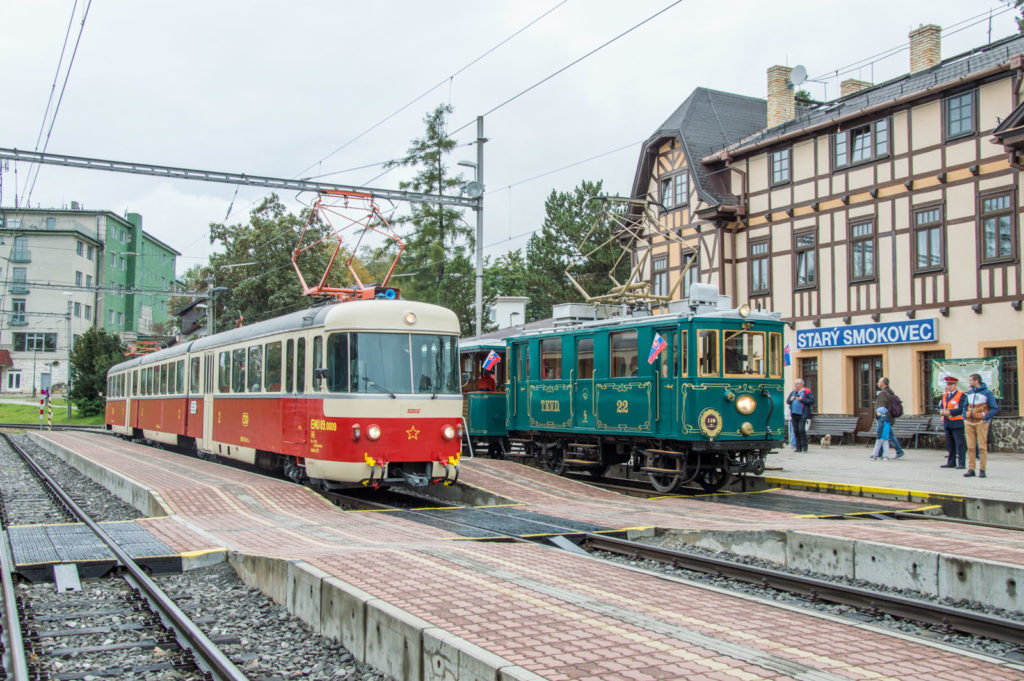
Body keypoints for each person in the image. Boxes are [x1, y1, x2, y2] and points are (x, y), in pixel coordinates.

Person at [963, 372, 999, 478]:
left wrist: (985, 418)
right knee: (970, 447)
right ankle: (971, 469)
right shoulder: (969, 393)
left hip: (981, 422)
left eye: (970, 380)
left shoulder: (987, 393)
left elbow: (994, 408)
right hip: (969, 422)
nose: (969, 382)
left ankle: (982, 469)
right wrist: (965, 417)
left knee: (982, 447)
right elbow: (965, 406)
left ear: (976, 381)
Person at [939, 376, 967, 469]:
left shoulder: (961, 395)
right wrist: (941, 411)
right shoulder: (945, 395)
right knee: (950, 444)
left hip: (957, 422)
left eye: (951, 384)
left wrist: (950, 412)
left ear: (955, 385)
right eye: (948, 384)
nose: (949, 386)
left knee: (960, 444)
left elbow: (962, 408)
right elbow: (942, 406)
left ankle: (961, 463)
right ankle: (951, 462)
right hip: (947, 422)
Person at [874, 377, 905, 459]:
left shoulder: (883, 394)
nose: (877, 383)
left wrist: (879, 417)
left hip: (884, 418)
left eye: (879, 381)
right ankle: (878, 453)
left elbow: (882, 407)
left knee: (889, 435)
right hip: (888, 417)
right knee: (883, 435)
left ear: (883, 383)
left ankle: (899, 451)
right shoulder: (890, 392)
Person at [786, 378, 815, 452]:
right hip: (794, 413)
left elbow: (812, 401)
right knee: (795, 430)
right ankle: (798, 447)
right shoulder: (793, 392)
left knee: (801, 430)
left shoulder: (807, 392)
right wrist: (791, 400)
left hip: (803, 414)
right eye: (795, 384)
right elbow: (787, 401)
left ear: (801, 384)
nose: (795, 385)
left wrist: (802, 400)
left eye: (796, 384)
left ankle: (804, 447)